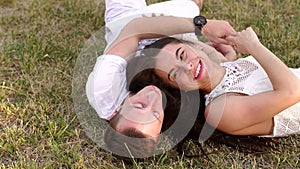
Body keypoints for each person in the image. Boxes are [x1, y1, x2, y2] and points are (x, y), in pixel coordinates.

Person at [86, 0, 237, 159]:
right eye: (156, 113)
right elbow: (187, 58)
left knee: (187, 14)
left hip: (131, 26)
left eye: (140, 104)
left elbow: (135, 29)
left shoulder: (103, 87)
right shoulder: (152, 121)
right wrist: (219, 60)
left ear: (118, 113)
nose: (153, 97)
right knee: (190, 7)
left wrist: (201, 25)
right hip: (165, 45)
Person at [133, 27, 300, 138]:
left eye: (182, 55)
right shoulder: (219, 111)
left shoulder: (222, 66)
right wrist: (253, 45)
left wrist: (224, 57)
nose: (187, 66)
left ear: (194, 46)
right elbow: (292, 92)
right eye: (175, 74)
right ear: (179, 89)